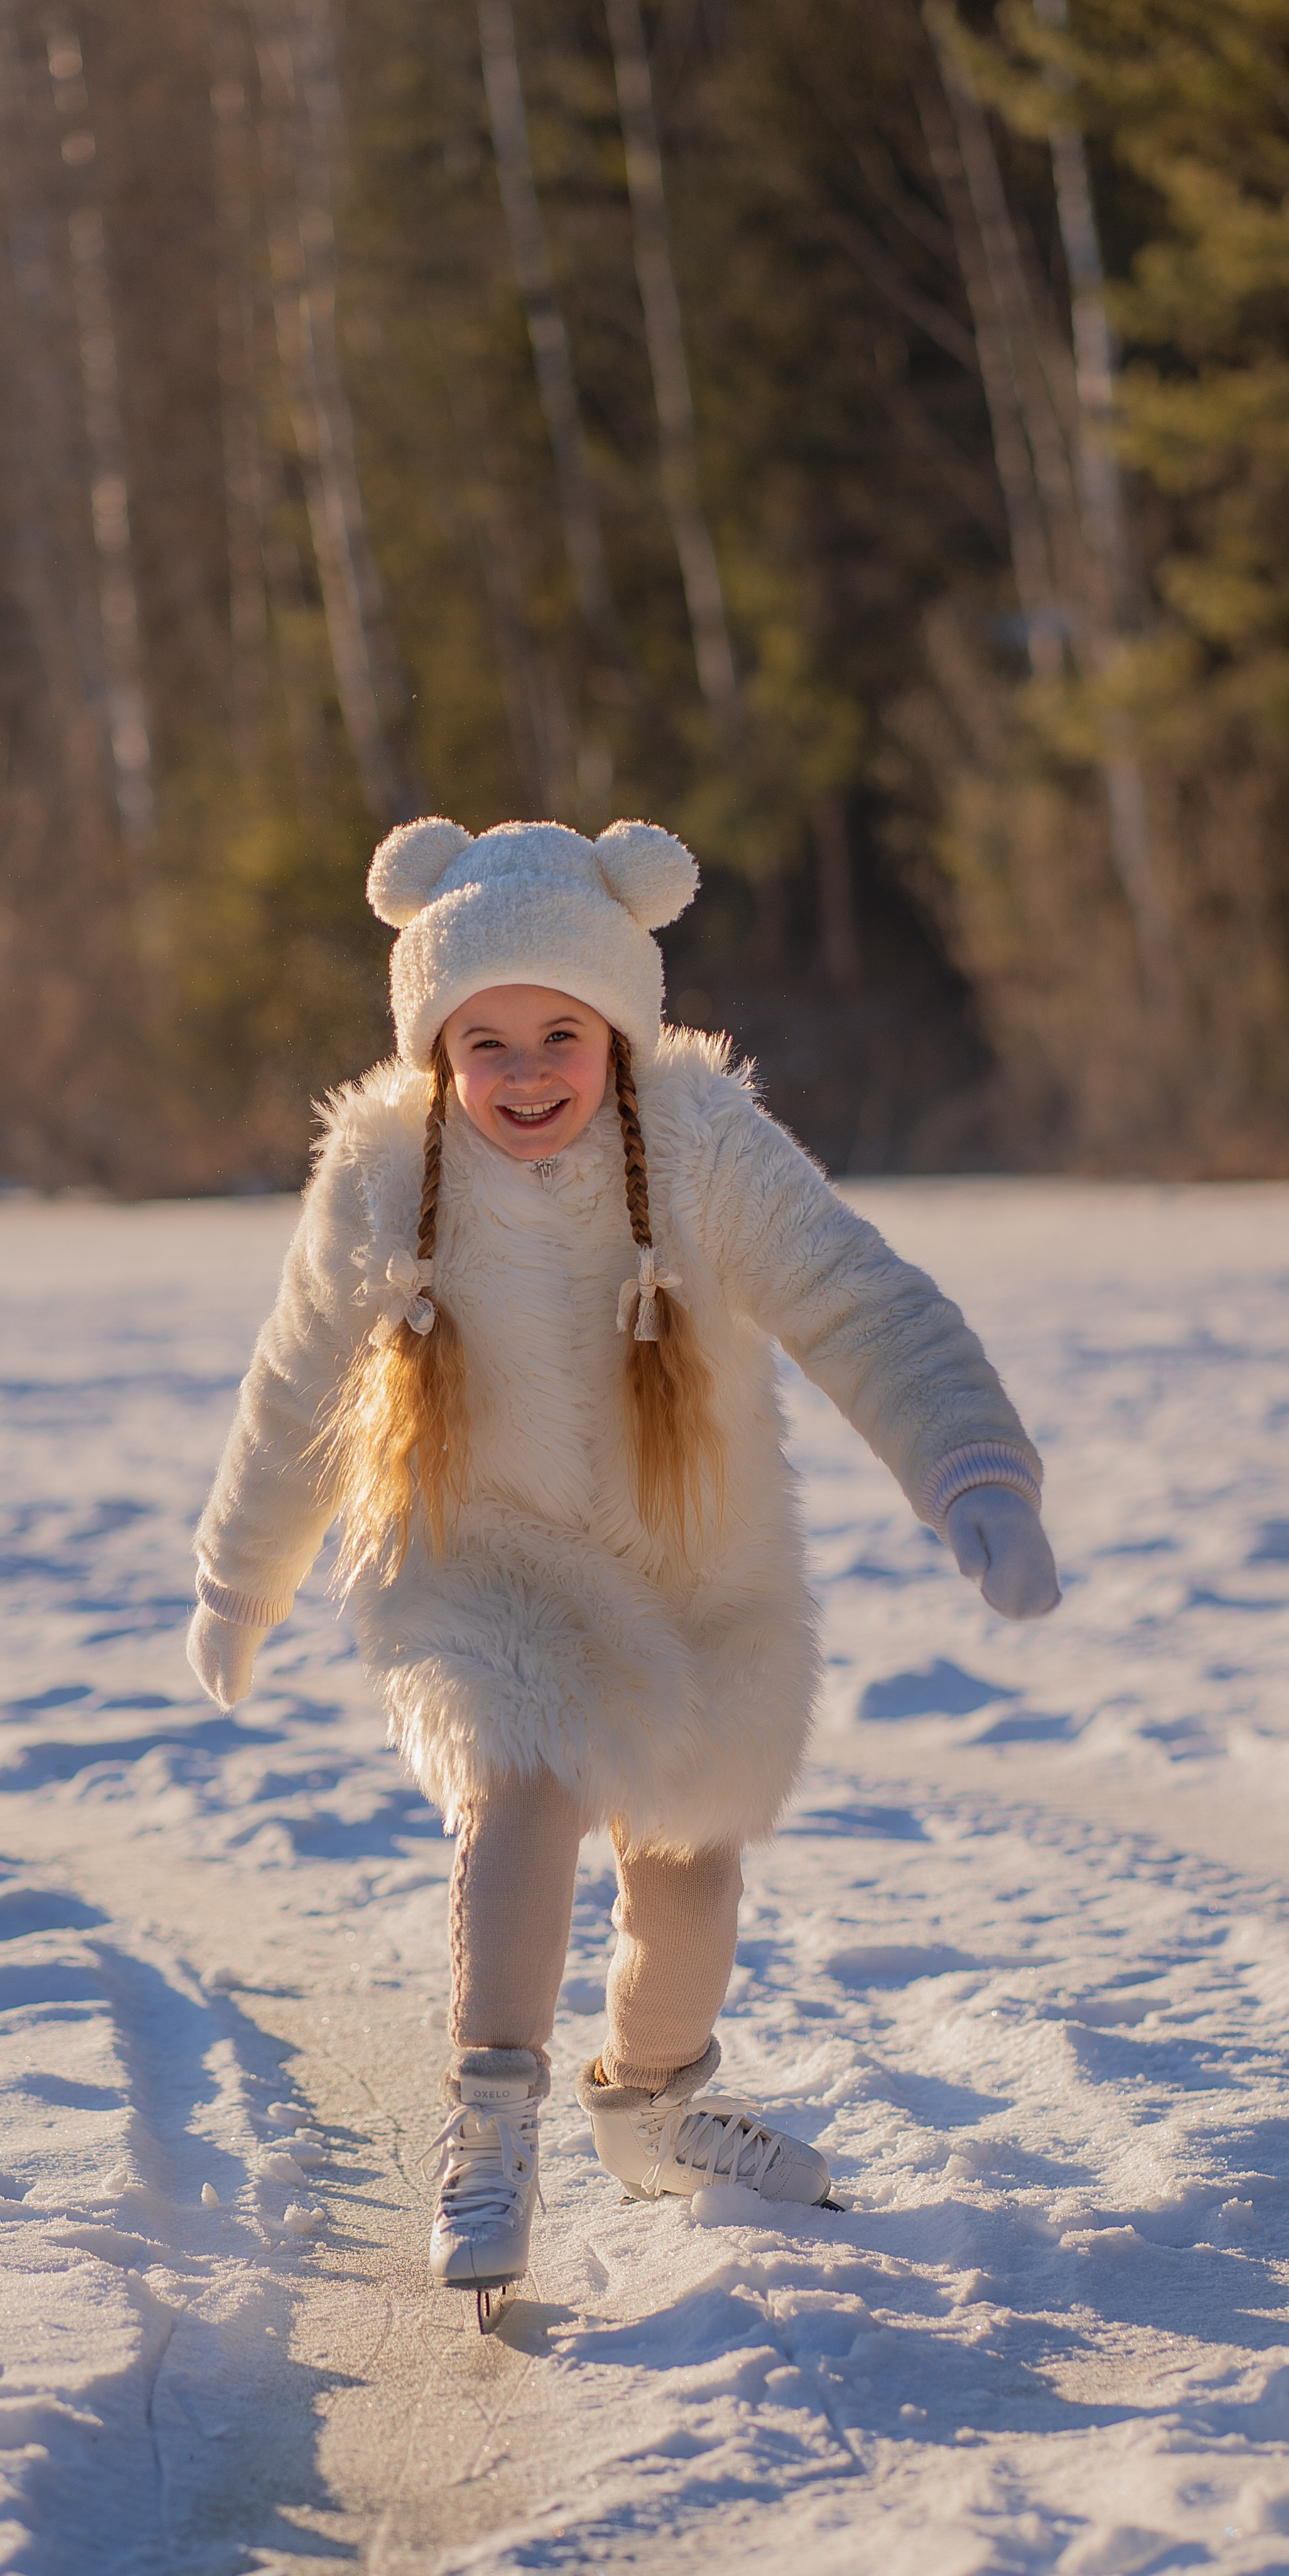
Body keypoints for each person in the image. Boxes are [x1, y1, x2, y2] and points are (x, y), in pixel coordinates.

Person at [187, 815, 1057, 2310]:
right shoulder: (382, 1174)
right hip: (483, 1558)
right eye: (488, 1042)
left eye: (559, 1035)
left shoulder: (706, 1142)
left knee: (690, 1874)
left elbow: (855, 1297)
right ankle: (492, 2120)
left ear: (617, 1030)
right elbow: (294, 1390)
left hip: (689, 1569)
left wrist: (967, 1462)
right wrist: (238, 1576)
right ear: (435, 1049)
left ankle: (650, 2101)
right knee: (525, 1783)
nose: (527, 1073)